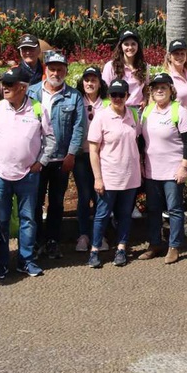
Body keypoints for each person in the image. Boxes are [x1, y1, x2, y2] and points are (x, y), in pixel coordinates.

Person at [0, 67, 51, 280]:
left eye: (10, 84)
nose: (5, 87)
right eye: (4, 83)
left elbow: (50, 139)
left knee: (28, 219)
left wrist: (40, 163)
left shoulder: (38, 109)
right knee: (1, 220)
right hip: (0, 176)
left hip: (28, 176)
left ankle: (26, 261)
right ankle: (1, 263)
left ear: (23, 88)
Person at [28, 50, 86, 259]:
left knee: (56, 202)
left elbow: (79, 128)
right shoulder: (32, 93)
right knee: (35, 201)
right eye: (52, 69)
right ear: (46, 69)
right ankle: (36, 241)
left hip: (61, 159)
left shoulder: (74, 96)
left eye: (60, 69)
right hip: (37, 160)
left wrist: (71, 154)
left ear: (66, 71)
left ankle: (53, 241)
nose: (55, 73)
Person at [139, 73, 187, 264]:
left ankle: (174, 246)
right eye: (156, 88)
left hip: (173, 171)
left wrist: (184, 167)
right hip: (151, 171)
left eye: (163, 87)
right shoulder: (146, 112)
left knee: (174, 209)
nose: (159, 90)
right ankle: (155, 243)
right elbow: (140, 142)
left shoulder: (179, 111)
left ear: (171, 90)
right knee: (153, 209)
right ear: (151, 92)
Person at [87, 78, 144, 268]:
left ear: (127, 96)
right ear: (109, 96)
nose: (117, 98)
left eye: (121, 94)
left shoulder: (134, 116)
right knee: (102, 215)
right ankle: (95, 250)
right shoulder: (101, 117)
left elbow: (138, 140)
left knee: (125, 214)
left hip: (130, 175)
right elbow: (93, 151)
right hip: (109, 176)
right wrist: (97, 178)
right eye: (114, 95)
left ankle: (121, 248)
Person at [72, 66, 106, 252]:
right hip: (81, 155)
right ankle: (84, 235)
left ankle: (100, 235)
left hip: (102, 156)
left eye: (94, 80)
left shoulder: (108, 104)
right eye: (87, 80)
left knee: (101, 195)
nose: (90, 83)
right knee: (84, 195)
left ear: (100, 83)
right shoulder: (77, 101)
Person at [101, 29, 148, 109]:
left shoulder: (144, 66)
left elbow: (146, 88)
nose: (130, 47)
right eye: (126, 44)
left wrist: (145, 99)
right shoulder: (111, 66)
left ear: (138, 46)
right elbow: (104, 90)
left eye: (133, 44)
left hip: (138, 110)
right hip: (118, 109)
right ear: (121, 46)